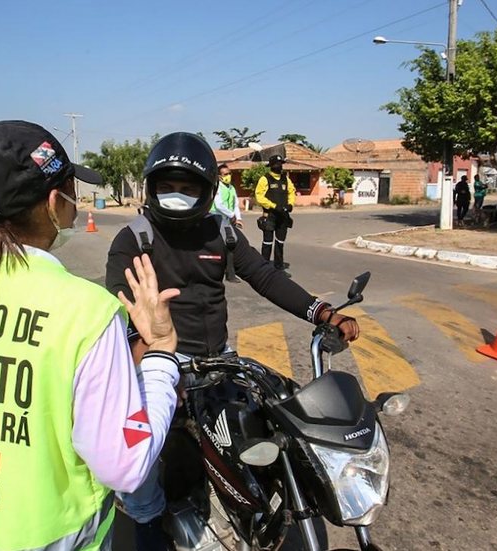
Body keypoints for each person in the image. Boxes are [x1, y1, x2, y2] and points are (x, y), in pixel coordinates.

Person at [0, 120, 182, 551]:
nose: (72, 205)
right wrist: (159, 356)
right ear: (53, 203)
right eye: (71, 193)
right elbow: (125, 465)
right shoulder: (84, 311)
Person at [104, 132, 361, 551]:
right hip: (160, 361)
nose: (177, 196)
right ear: (151, 188)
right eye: (168, 187)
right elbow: (120, 304)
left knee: (257, 433)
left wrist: (323, 312)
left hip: (219, 359)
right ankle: (149, 525)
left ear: (207, 192)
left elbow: (266, 276)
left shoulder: (221, 233)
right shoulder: (134, 238)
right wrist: (150, 363)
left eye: (188, 188)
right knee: (143, 460)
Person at [254, 155, 295, 273]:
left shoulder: (285, 179)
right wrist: (273, 206)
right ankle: (264, 266)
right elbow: (259, 196)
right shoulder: (265, 179)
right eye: (276, 164)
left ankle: (279, 265)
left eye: (281, 164)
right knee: (268, 241)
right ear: (271, 166)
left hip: (283, 216)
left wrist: (290, 204)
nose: (279, 166)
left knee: (280, 241)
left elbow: (292, 191)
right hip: (270, 215)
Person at [210, 163, 242, 283]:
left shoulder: (231, 188)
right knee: (217, 246)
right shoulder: (217, 187)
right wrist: (231, 215)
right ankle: (216, 272)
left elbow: (235, 204)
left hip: (227, 220)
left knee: (230, 246)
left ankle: (230, 273)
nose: (228, 176)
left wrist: (238, 218)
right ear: (219, 176)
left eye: (229, 173)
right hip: (216, 219)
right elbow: (218, 205)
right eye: (225, 174)